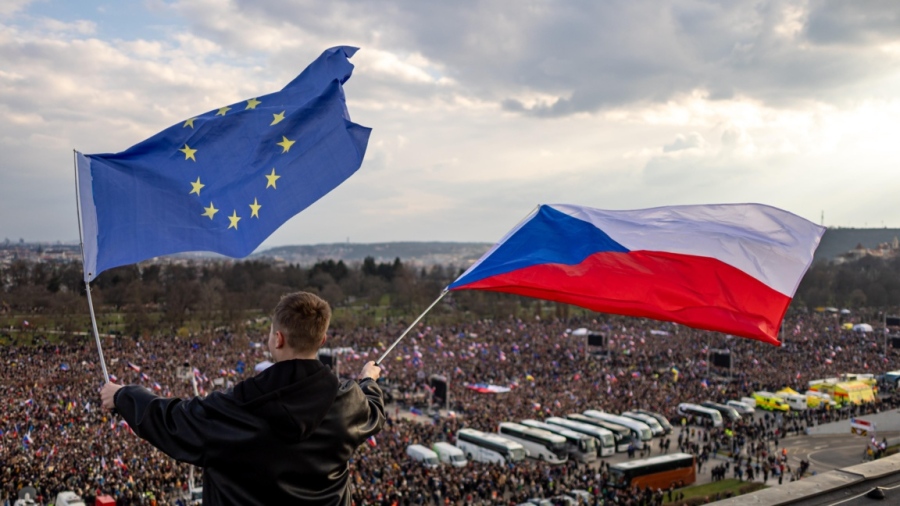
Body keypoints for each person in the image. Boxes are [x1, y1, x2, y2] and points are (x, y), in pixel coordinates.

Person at [100, 291, 385, 506]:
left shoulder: (235, 408)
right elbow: (373, 411)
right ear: (321, 341)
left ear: (278, 339)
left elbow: (172, 421)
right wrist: (368, 381)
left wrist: (123, 395)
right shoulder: (349, 403)